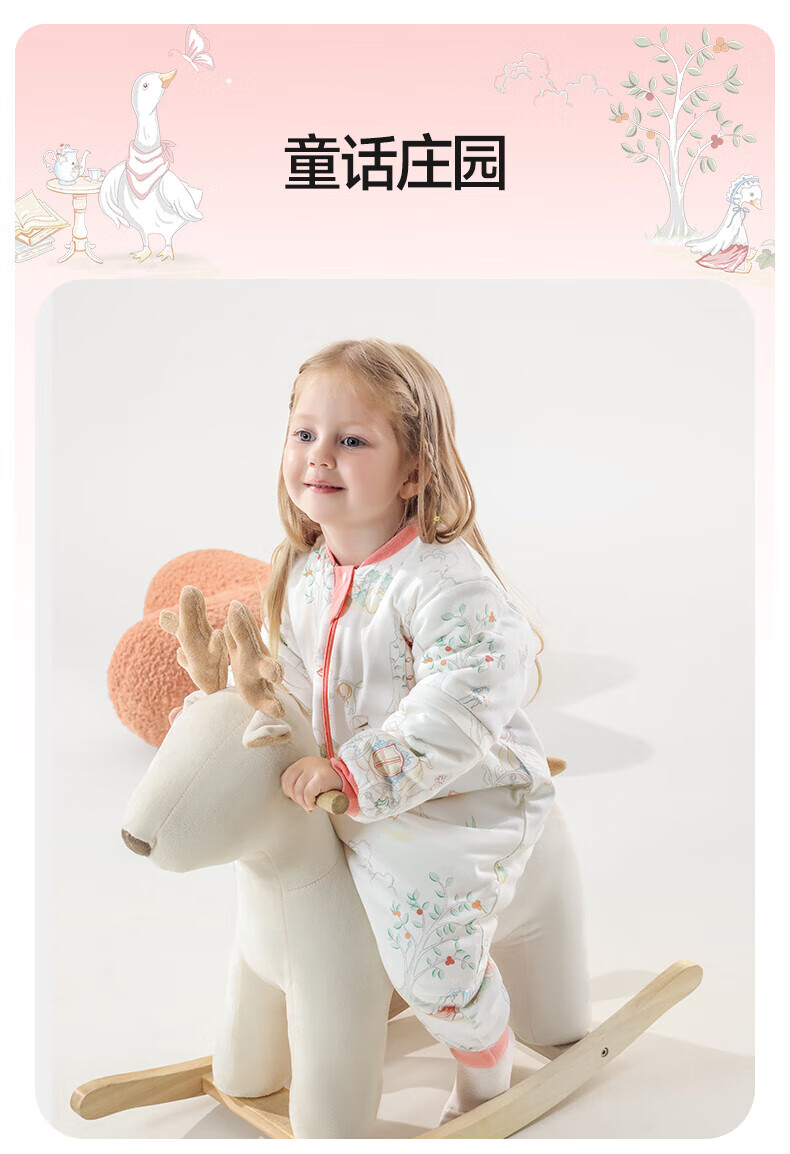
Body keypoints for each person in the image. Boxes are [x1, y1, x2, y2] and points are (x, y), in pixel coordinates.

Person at [257, 337, 555, 1124]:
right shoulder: (303, 574)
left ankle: (481, 1048)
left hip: (456, 798)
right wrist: (262, 724)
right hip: (337, 794)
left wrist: (356, 773)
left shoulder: (447, 583)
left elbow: (459, 704)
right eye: (304, 433)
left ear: (414, 471)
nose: (320, 454)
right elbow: (287, 681)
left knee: (429, 952)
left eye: (352, 440)